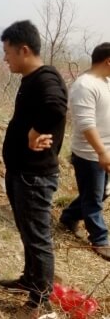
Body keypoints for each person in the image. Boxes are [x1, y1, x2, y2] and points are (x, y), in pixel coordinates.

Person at [0, 20, 68, 319]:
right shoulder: (31, 79)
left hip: (36, 176)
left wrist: (34, 131)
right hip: (22, 172)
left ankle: (40, 299)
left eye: (8, 52)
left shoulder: (46, 78)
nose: (5, 58)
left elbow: (56, 105)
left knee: (38, 237)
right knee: (28, 231)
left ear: (23, 50)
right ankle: (30, 279)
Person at [59, 42, 110, 261]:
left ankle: (69, 216)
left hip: (105, 150)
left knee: (100, 193)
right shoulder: (84, 85)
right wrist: (101, 152)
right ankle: (100, 239)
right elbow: (86, 124)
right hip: (90, 153)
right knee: (94, 199)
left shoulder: (105, 82)